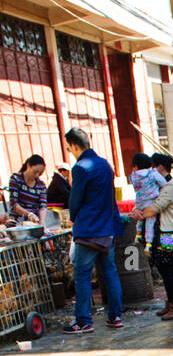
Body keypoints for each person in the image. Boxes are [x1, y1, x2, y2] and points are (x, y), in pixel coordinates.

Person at [63, 127, 124, 335]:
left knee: (82, 275)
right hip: (108, 229)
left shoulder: (81, 167)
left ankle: (83, 321)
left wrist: (72, 217)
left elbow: (76, 199)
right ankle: (116, 316)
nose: (70, 151)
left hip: (88, 231)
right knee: (110, 272)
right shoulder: (105, 164)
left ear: (74, 145)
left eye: (69, 147)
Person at [132, 154, 173, 321]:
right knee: (163, 269)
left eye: (154, 167)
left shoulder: (171, 187)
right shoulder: (162, 186)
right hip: (162, 233)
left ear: (160, 167)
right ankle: (170, 304)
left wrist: (139, 214)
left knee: (168, 271)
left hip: (169, 234)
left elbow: (154, 208)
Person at [128, 152, 165, 245]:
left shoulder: (134, 176)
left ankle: (139, 235)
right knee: (171, 255)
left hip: (140, 202)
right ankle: (149, 242)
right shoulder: (169, 187)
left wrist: (137, 212)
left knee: (141, 220)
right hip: (166, 231)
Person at [8, 155, 47, 221]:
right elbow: (14, 204)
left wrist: (42, 222)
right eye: (35, 172)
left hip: (34, 222)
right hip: (17, 221)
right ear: (28, 166)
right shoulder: (16, 179)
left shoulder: (41, 185)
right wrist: (29, 214)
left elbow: (43, 206)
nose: (37, 175)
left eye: (40, 173)